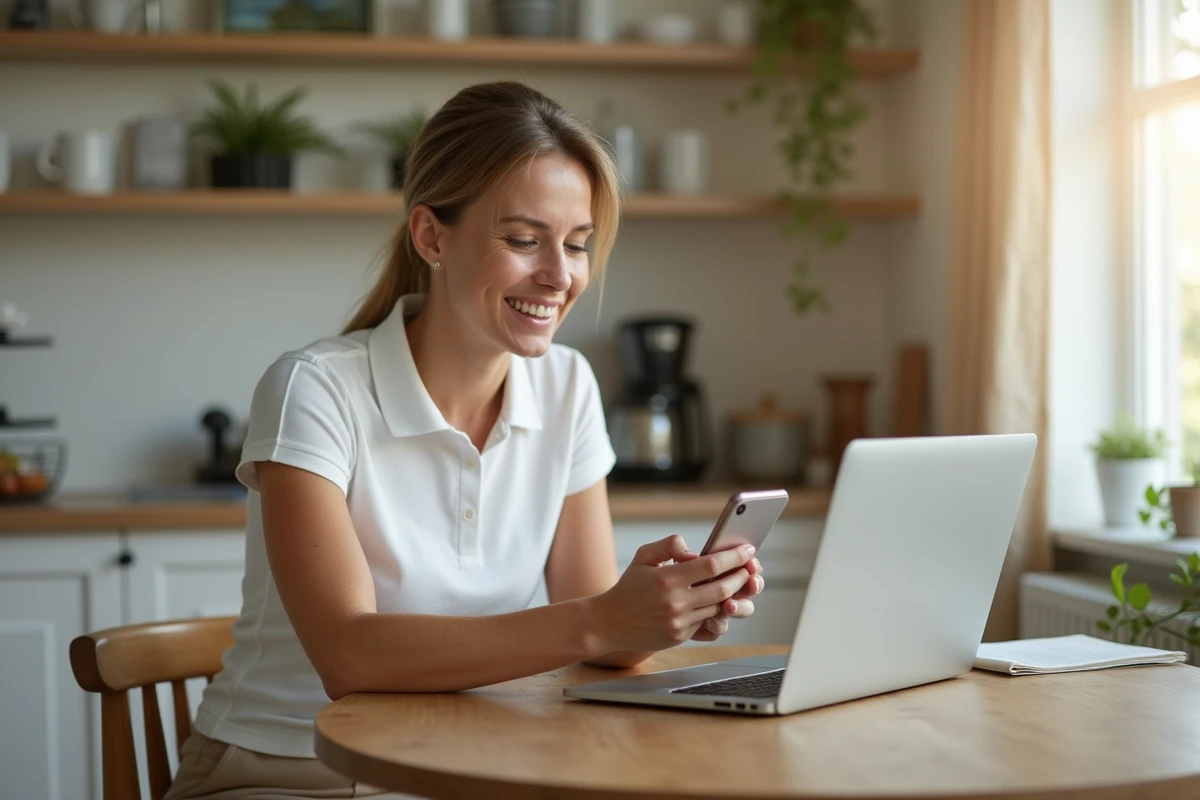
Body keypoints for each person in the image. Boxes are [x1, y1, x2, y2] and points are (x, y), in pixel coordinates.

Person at [165, 81, 764, 800]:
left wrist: (665, 605)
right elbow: (348, 656)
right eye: (523, 239)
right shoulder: (315, 390)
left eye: (577, 245)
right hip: (293, 768)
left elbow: (602, 639)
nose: (560, 275)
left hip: (477, 762)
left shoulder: (567, 385)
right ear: (431, 236)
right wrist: (602, 619)